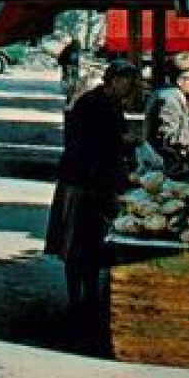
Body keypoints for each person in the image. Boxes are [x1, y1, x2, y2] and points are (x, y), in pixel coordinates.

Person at [45, 58, 142, 343]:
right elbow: (99, 141)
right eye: (128, 81)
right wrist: (126, 142)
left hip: (96, 182)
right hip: (83, 182)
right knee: (77, 244)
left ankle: (87, 297)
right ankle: (78, 300)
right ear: (114, 80)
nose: (131, 87)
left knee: (91, 245)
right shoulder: (94, 104)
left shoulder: (108, 103)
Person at [143, 53, 189, 168]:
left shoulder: (171, 94)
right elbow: (168, 140)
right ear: (180, 81)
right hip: (163, 167)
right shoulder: (169, 99)